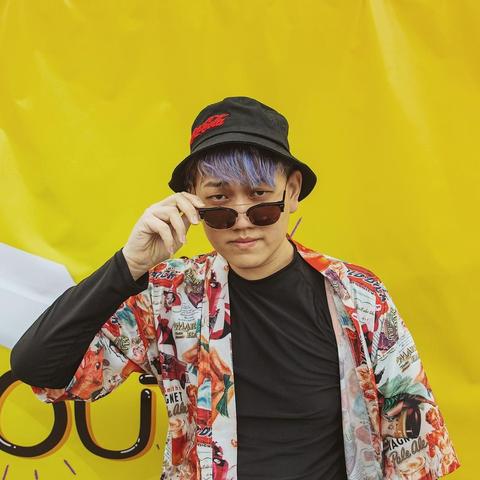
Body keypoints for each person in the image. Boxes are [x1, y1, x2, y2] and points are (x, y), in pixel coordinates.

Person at [10, 96, 461, 480]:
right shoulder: (172, 296)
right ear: (192, 202)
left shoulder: (358, 297)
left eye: (260, 197)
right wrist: (129, 266)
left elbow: (416, 446)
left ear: (292, 191)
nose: (242, 221)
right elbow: (40, 368)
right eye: (220, 201)